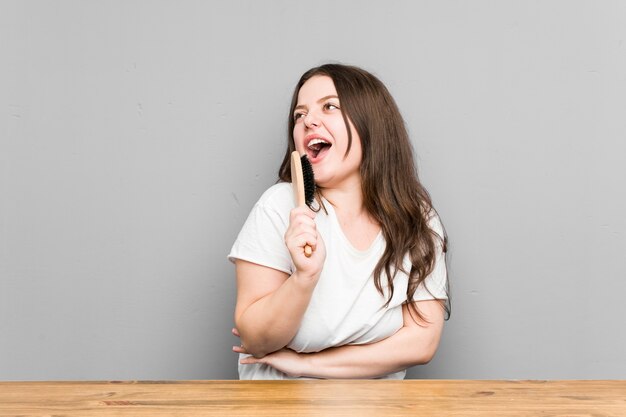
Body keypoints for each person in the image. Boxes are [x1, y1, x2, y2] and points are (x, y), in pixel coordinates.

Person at [227, 63, 449, 379]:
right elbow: (256, 339)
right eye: (299, 115)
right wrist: (304, 278)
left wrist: (309, 365)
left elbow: (422, 342)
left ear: (370, 124)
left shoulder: (416, 219)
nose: (308, 121)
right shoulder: (279, 207)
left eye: (329, 106)